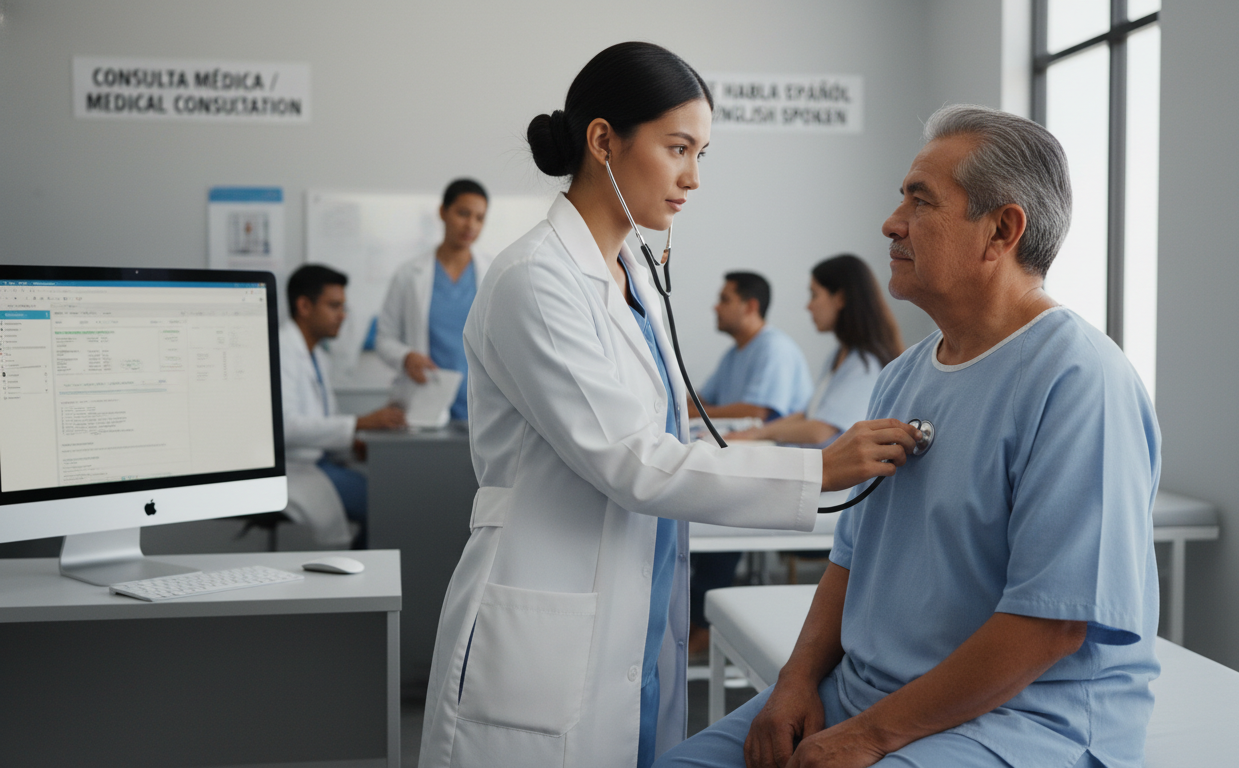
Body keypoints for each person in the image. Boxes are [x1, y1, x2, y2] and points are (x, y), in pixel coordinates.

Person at [417, 42, 921, 768]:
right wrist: (816, 470)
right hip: (543, 619)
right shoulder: (534, 279)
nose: (692, 176)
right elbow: (633, 462)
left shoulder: (635, 275)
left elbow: (666, 429)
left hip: (636, 604)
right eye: (677, 147)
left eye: (702, 153)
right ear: (602, 140)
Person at [657, 106, 1161, 768]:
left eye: (920, 202)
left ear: (1002, 230)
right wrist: (795, 682)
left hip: (1019, 718)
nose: (891, 222)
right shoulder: (903, 377)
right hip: (865, 693)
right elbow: (849, 560)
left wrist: (868, 737)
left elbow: (1050, 624)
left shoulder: (1080, 379)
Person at [280, 264, 406, 549]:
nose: (343, 315)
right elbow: (285, 427)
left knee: (388, 498)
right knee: (384, 507)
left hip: (321, 462)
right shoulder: (281, 351)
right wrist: (360, 423)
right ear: (304, 306)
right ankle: (361, 581)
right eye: (334, 306)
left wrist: (353, 444)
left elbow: (325, 422)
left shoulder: (318, 356)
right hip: (296, 468)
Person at [727, 254, 904, 446]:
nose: (808, 306)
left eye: (814, 295)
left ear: (840, 298)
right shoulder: (839, 355)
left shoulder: (864, 363)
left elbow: (820, 431)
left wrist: (758, 434)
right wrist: (756, 432)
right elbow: (808, 414)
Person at [376, 178, 494, 422]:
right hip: (423, 396)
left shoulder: (493, 273)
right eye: (463, 213)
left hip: (480, 402)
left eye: (479, 218)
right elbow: (384, 339)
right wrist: (406, 356)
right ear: (443, 212)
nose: (470, 225)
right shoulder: (409, 274)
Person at [696, 272, 813, 421]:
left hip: (774, 444)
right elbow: (701, 400)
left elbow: (756, 412)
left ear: (751, 306)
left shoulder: (775, 348)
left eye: (725, 300)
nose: (716, 307)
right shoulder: (732, 354)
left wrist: (695, 414)